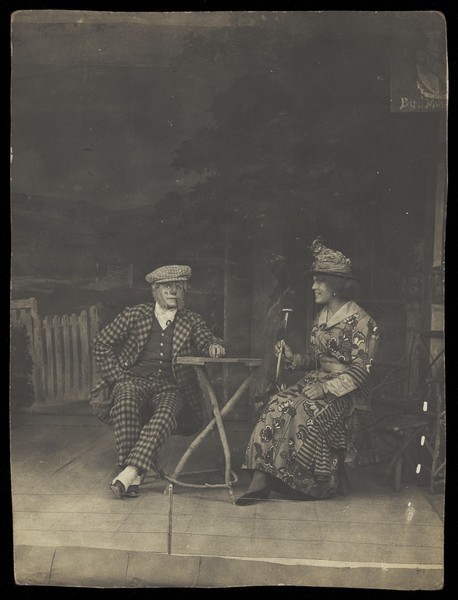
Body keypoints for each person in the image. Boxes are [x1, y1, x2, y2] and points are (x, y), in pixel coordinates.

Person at [236, 239, 379, 506]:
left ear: (336, 285)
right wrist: (294, 358)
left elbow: (363, 369)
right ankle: (263, 477)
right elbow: (318, 361)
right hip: (317, 381)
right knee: (277, 403)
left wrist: (326, 388)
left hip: (349, 393)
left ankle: (310, 486)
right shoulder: (322, 316)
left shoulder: (363, 322)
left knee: (305, 409)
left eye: (319, 282)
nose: (313, 287)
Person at [91, 264, 225, 499]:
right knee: (125, 402)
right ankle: (133, 472)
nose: (173, 292)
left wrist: (214, 345)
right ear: (155, 290)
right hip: (133, 379)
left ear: (184, 291)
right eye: (167, 287)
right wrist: (117, 376)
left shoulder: (191, 320)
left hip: (171, 387)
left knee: (165, 416)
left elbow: (207, 339)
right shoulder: (136, 314)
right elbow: (101, 342)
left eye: (179, 287)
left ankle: (130, 473)